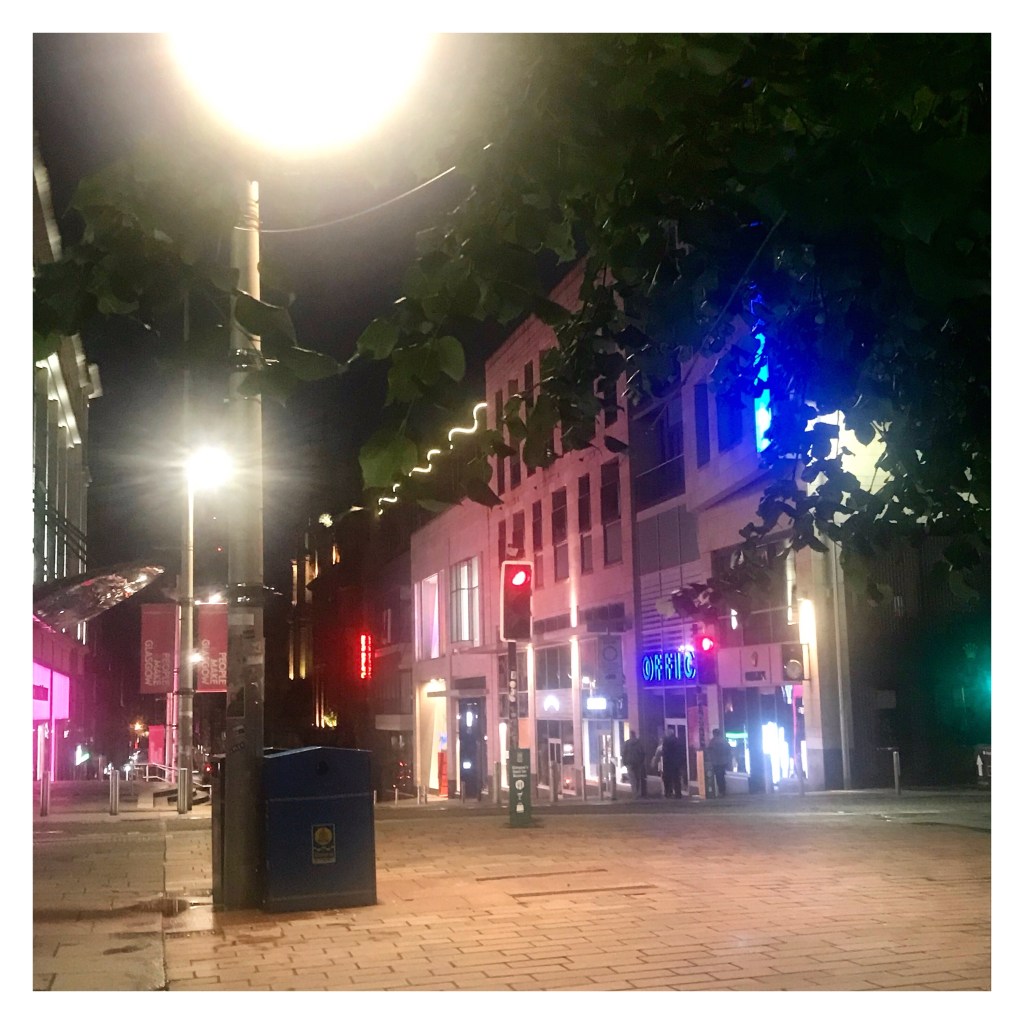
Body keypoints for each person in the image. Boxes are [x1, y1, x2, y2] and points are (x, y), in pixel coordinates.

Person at [706, 728, 732, 797]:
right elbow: (729, 750)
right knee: (722, 776)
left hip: (716, 762)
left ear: (714, 734)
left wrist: (710, 759)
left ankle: (720, 791)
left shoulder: (713, 741)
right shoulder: (724, 741)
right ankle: (723, 790)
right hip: (723, 762)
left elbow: (709, 751)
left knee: (718, 777)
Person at [659, 731, 685, 798]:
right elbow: (681, 752)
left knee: (667, 779)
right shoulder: (678, 741)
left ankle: (668, 793)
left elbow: (664, 752)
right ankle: (678, 793)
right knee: (676, 779)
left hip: (668, 763)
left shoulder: (666, 742)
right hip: (676, 763)